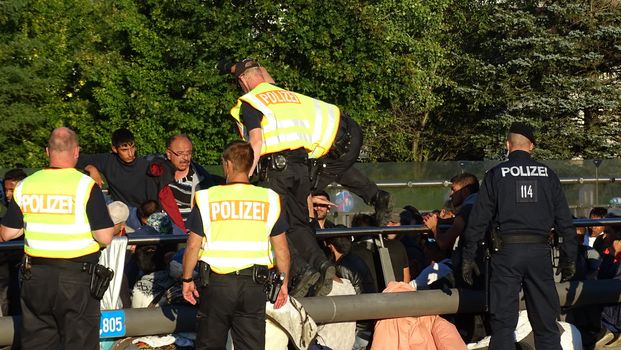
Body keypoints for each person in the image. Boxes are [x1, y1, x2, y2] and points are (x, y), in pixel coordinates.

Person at [224, 58, 335, 297]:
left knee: (273, 225)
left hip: (276, 171)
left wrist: (244, 173)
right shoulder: (289, 97)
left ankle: (301, 270)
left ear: (243, 80)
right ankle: (323, 265)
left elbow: (255, 140)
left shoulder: (251, 101)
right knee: (299, 224)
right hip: (301, 168)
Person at [461, 122, 577, 350]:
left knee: (503, 325)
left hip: (505, 254)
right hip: (539, 254)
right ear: (531, 146)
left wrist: (468, 256)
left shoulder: (496, 175)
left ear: (508, 145)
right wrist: (569, 257)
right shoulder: (548, 175)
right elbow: (565, 221)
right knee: (546, 323)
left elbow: (478, 220)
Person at [0, 127, 115, 349]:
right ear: (76, 151)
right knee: (80, 342)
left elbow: (7, 233)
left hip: (36, 278)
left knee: (38, 342)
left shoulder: (26, 185)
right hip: (77, 279)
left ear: (47, 151)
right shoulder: (85, 185)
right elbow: (105, 236)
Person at [181, 141, 290, 349]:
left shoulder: (207, 198)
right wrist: (283, 282)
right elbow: (282, 249)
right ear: (251, 165)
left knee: (210, 344)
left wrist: (187, 279)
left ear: (228, 164)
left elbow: (193, 246)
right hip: (254, 285)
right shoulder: (269, 199)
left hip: (217, 285)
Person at [77, 128, 159, 230]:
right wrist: (90, 168)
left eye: (132, 148)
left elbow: (153, 203)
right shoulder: (109, 161)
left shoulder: (146, 166)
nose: (130, 153)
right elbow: (74, 158)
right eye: (124, 150)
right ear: (115, 149)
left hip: (142, 216)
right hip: (119, 214)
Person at [148, 134, 224, 232]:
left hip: (193, 234)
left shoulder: (202, 179)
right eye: (180, 153)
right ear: (169, 154)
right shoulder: (157, 173)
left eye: (188, 153)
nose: (185, 158)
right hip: (163, 235)